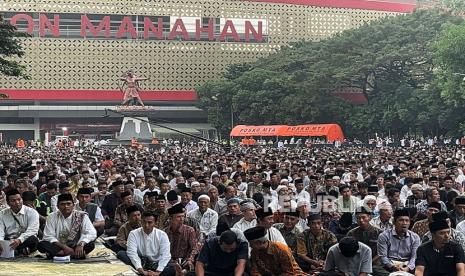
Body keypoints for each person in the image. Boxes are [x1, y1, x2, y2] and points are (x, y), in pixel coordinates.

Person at [38, 193, 97, 259]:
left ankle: (59, 255)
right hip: (59, 246)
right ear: (57, 206)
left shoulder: (81, 216)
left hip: (76, 246)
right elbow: (48, 236)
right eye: (62, 204)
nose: (66, 206)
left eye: (68, 204)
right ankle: (73, 255)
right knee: (42, 244)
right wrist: (64, 247)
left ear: (73, 205)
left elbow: (92, 233)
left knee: (91, 244)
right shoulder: (51, 216)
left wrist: (81, 244)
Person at [126, 211, 174, 276]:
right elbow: (132, 253)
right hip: (141, 262)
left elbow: (165, 255)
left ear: (155, 223)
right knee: (121, 254)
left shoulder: (162, 235)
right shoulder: (133, 234)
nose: (146, 225)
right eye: (144, 222)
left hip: (156, 263)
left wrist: (158, 272)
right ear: (141, 221)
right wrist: (141, 270)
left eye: (150, 222)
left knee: (171, 268)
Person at [376, 208, 421, 275]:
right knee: (374, 268)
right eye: (401, 220)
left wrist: (408, 268)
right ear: (394, 222)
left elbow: (414, 257)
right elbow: (383, 257)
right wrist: (393, 267)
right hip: (389, 266)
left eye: (407, 220)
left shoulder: (415, 237)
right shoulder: (384, 236)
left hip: (406, 265)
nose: (404, 223)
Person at [0, 189, 40, 256]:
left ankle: (16, 251)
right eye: (13, 201)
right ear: (8, 202)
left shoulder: (32, 212)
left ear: (22, 199)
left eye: (19, 199)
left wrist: (19, 240)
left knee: (33, 239)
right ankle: (20, 251)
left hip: (24, 240)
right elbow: (0, 231)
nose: (17, 202)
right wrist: (0, 242)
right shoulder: (2, 214)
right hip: (9, 240)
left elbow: (32, 230)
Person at [164, 203, 198, 273]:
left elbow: (194, 248)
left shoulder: (189, 230)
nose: (182, 219)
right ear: (171, 219)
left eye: (183, 216)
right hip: (168, 261)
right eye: (178, 217)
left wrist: (190, 260)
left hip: (184, 261)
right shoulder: (164, 232)